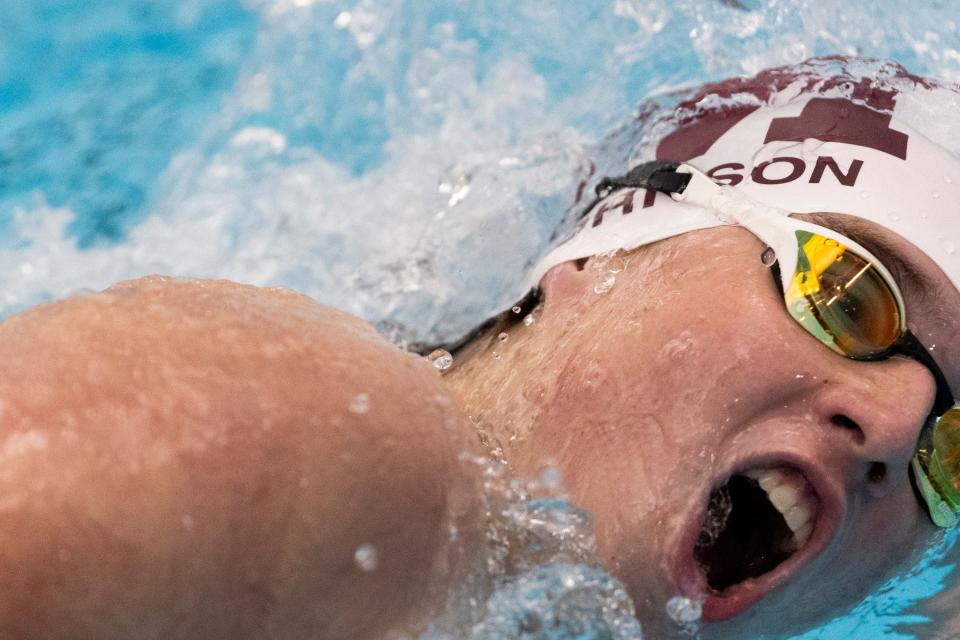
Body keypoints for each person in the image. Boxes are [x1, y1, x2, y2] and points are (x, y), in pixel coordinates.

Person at [0, 57, 958, 639]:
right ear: (607, 255)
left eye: (952, 453)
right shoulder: (336, 447)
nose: (901, 419)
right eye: (848, 296)